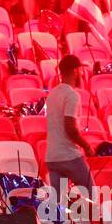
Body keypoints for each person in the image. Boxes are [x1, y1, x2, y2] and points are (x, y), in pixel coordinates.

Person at [45, 55, 94, 199]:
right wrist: (86, 146)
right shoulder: (72, 95)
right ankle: (90, 221)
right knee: (91, 195)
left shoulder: (52, 94)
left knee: (57, 202)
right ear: (75, 71)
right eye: (79, 70)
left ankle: (59, 222)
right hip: (69, 155)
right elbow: (70, 127)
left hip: (52, 156)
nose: (81, 73)